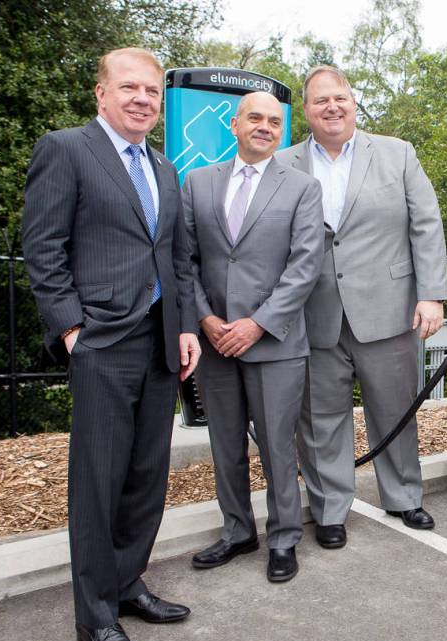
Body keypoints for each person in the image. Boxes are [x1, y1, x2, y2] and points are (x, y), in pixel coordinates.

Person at [21, 47, 200, 641]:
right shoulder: (66, 149)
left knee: (146, 475)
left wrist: (183, 328)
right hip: (101, 340)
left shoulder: (164, 167)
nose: (142, 99)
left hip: (159, 344)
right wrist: (72, 329)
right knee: (98, 483)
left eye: (151, 91)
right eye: (129, 88)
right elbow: (43, 249)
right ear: (101, 93)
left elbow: (175, 256)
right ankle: (94, 616)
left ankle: (127, 585)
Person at [275, 65, 447, 549]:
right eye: (320, 100)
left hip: (390, 309)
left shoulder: (397, 154)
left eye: (340, 97)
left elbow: (426, 225)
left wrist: (431, 294)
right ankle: (330, 510)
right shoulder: (284, 163)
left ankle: (405, 496)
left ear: (353, 101)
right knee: (321, 418)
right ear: (305, 111)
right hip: (313, 314)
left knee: (394, 411)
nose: (332, 107)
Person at [183, 92, 323, 582]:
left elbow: (305, 266)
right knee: (225, 444)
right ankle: (237, 532)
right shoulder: (198, 182)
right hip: (215, 342)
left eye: (274, 121)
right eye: (255, 118)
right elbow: (186, 260)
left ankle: (284, 538)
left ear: (281, 130)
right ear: (235, 124)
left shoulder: (303, 188)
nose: (265, 126)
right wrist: (204, 319)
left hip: (275, 343)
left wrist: (257, 323)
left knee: (278, 447)